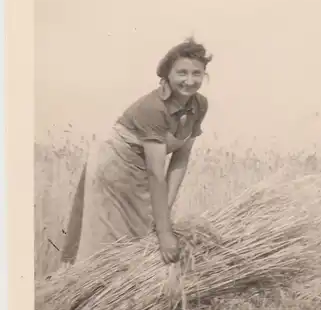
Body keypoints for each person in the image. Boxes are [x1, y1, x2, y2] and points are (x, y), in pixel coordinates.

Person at [60, 37, 212, 266]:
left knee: (142, 238)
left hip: (143, 171)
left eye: (196, 74)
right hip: (114, 169)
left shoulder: (200, 105)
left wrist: (165, 212)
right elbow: (156, 173)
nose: (189, 81)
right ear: (167, 75)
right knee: (110, 247)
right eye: (182, 73)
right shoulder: (153, 108)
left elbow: (181, 158)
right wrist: (164, 232)